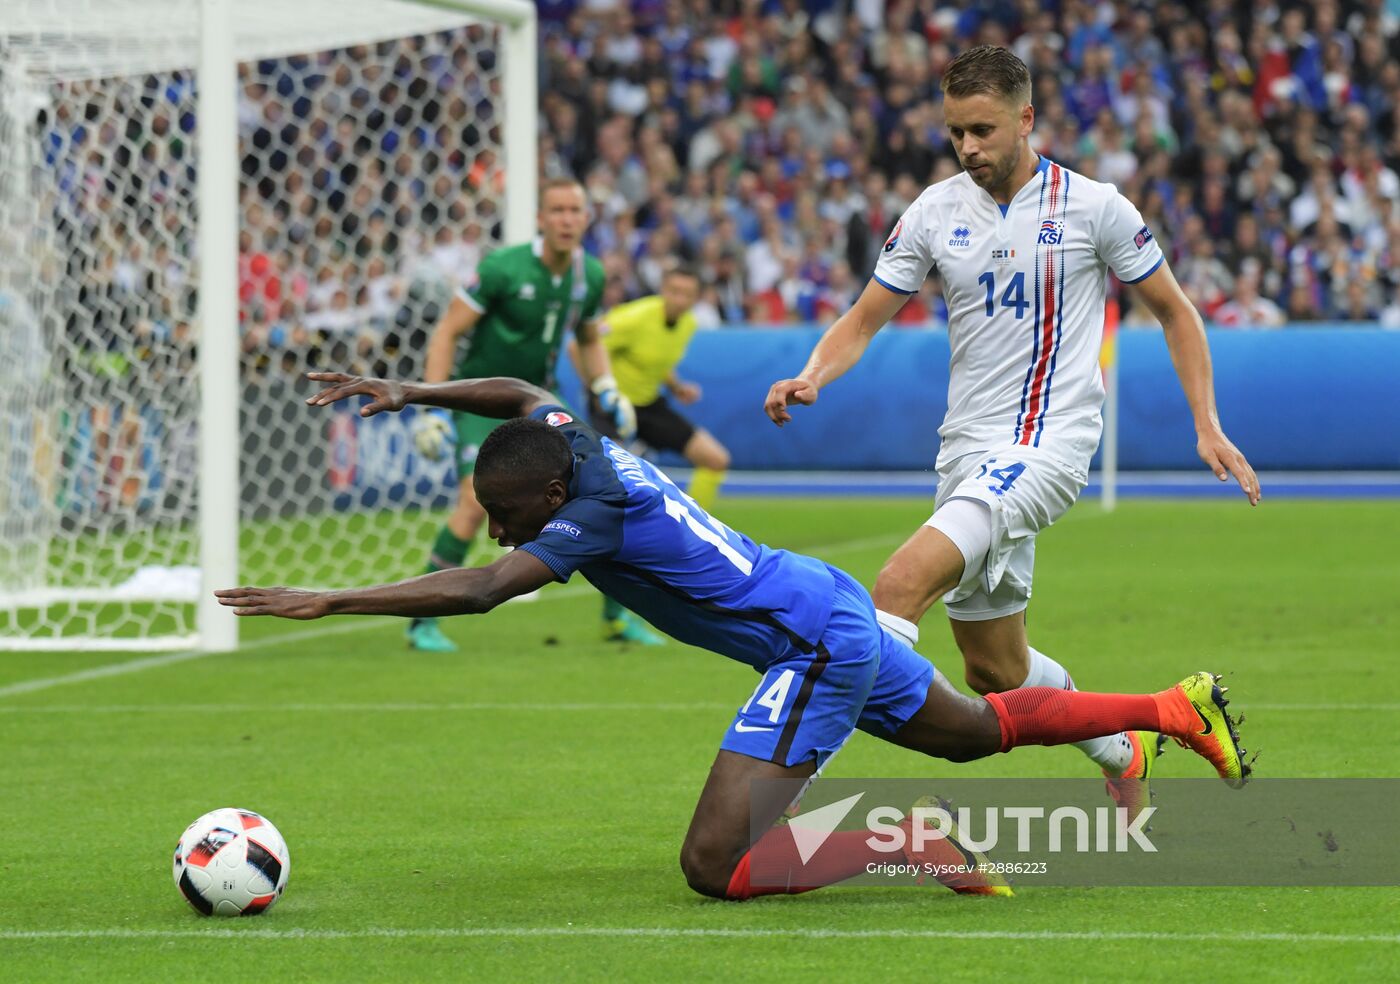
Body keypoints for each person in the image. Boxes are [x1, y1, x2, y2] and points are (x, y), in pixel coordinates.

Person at [217, 370, 1251, 902]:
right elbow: (517, 398)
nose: (506, 531)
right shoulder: (571, 447)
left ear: (546, 496)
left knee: (714, 866)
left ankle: (897, 839)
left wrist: (334, 599)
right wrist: (411, 394)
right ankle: (1169, 707)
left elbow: (485, 591)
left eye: (514, 516)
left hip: (811, 647)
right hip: (822, 600)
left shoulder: (588, 515)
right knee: (972, 733)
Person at [763, 46, 1261, 816]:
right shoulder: (934, 211)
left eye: (983, 130)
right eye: (956, 132)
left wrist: (1207, 424)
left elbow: (1176, 311)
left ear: (1026, 119)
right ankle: (1132, 739)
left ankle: (778, 799)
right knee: (996, 670)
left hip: (1047, 448)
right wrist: (813, 373)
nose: (968, 148)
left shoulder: (1095, 207)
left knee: (894, 587)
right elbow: (864, 318)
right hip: (966, 454)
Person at [409, 177, 652, 651]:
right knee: (473, 503)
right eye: (557, 211)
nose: (566, 219)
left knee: (602, 492)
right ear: (541, 219)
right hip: (483, 402)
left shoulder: (590, 276)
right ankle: (423, 621)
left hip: (540, 403)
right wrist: (432, 408)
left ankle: (617, 617)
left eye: (574, 211)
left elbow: (587, 337)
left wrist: (606, 387)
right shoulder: (502, 268)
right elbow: (446, 332)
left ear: (586, 218)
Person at [575, 265, 731, 514]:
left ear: (696, 298)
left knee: (715, 459)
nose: (679, 299)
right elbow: (578, 346)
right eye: (674, 291)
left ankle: (692, 526)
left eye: (687, 294)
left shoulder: (688, 324)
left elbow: (655, 360)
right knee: (605, 482)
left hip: (649, 405)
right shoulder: (633, 317)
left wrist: (677, 386)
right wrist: (595, 390)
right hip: (612, 407)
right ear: (662, 290)